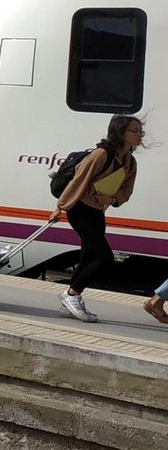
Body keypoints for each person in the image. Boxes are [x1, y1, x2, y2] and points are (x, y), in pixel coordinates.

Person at [53, 114, 142, 323]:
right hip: (79, 209)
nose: (140, 135)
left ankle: (70, 301)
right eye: (134, 131)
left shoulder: (130, 162)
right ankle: (71, 295)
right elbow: (78, 181)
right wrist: (59, 208)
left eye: (141, 131)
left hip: (97, 212)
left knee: (87, 257)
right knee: (104, 258)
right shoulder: (100, 155)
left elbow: (126, 191)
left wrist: (111, 199)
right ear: (120, 132)